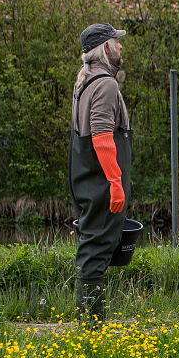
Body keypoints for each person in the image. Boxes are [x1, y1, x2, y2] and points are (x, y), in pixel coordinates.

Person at [68, 22, 130, 326]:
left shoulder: (85, 83)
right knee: (95, 253)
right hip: (101, 181)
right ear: (105, 48)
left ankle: (88, 322)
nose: (120, 47)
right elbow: (103, 137)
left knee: (92, 248)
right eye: (116, 43)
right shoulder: (105, 84)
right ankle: (91, 327)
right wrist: (116, 183)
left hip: (86, 178)